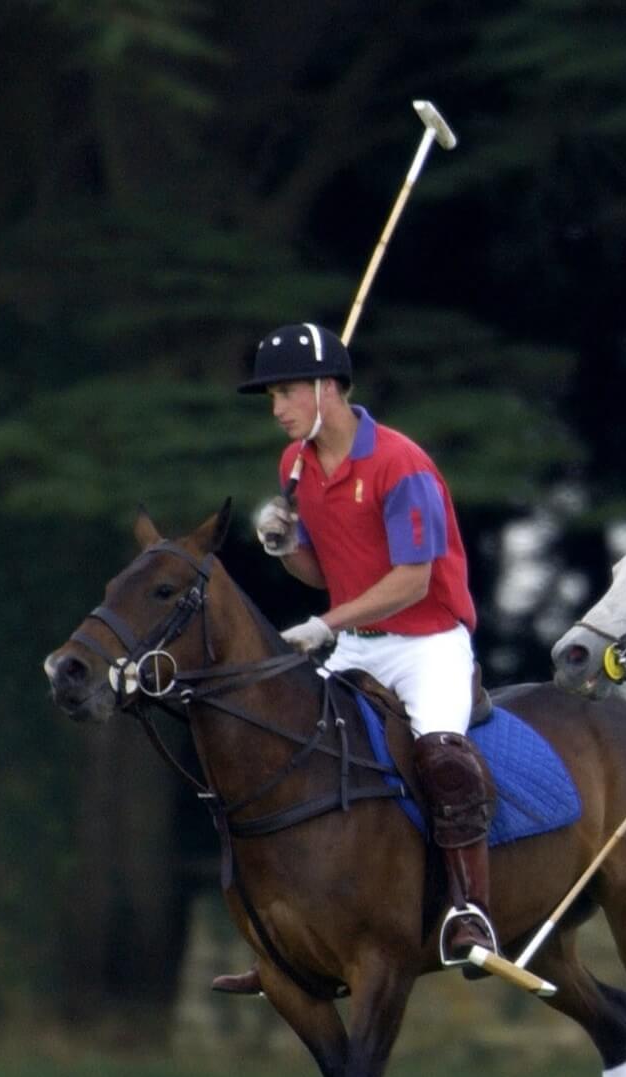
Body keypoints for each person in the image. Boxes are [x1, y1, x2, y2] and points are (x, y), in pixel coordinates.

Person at [213, 322, 498, 994]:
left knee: (443, 760)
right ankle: (293, 936)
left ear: (327, 389)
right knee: (290, 754)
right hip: (358, 645)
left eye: (285, 393)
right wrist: (287, 548)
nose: (276, 409)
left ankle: (469, 914)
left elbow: (411, 579)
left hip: (428, 642)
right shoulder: (294, 467)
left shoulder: (402, 465)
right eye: (272, 397)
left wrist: (324, 624)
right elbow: (324, 573)